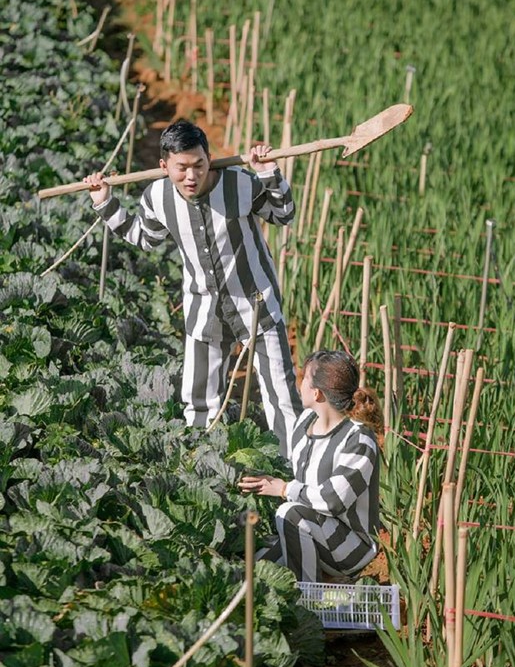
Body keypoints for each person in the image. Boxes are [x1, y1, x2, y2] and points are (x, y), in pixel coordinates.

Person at [84, 119, 302, 456]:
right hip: (204, 308)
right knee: (199, 399)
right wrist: (104, 203)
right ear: (164, 166)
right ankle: (203, 466)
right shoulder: (157, 197)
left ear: (209, 159)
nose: (191, 176)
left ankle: (290, 471)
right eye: (181, 168)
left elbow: (283, 214)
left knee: (282, 398)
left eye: (198, 165)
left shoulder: (240, 183)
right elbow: (143, 238)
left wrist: (269, 173)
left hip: (256, 303)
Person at [238, 350, 381, 582]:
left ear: (317, 393)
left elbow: (334, 500)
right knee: (253, 569)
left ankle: (308, 597)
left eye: (304, 378)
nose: (300, 384)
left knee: (289, 513)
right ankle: (311, 579)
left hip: (351, 547)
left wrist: (284, 489)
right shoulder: (304, 422)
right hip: (311, 529)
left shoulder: (359, 440)